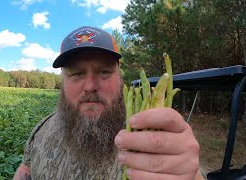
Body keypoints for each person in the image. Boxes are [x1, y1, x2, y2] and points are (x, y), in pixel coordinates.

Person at [13, 26, 204, 180]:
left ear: (119, 76)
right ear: (63, 80)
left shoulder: (148, 134)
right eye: (77, 74)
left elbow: (181, 169)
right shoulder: (42, 129)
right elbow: (25, 169)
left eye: (104, 72)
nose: (90, 86)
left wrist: (190, 175)